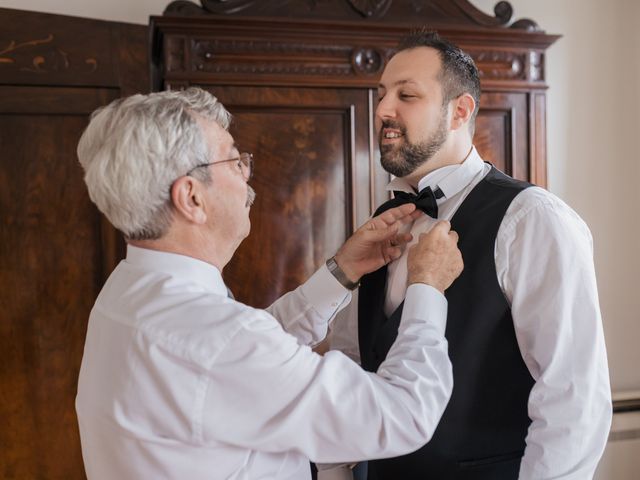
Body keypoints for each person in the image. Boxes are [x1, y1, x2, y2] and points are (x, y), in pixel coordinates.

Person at [74, 87, 464, 480]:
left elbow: (241, 368)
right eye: (233, 160)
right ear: (191, 198)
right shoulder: (219, 340)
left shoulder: (125, 292)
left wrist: (342, 271)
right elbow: (403, 415)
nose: (247, 171)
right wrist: (427, 286)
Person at [329, 30, 612, 479]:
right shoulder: (384, 222)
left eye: (406, 95)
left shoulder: (533, 218)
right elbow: (349, 359)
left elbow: (573, 398)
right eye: (382, 95)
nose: (383, 109)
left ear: (460, 110)